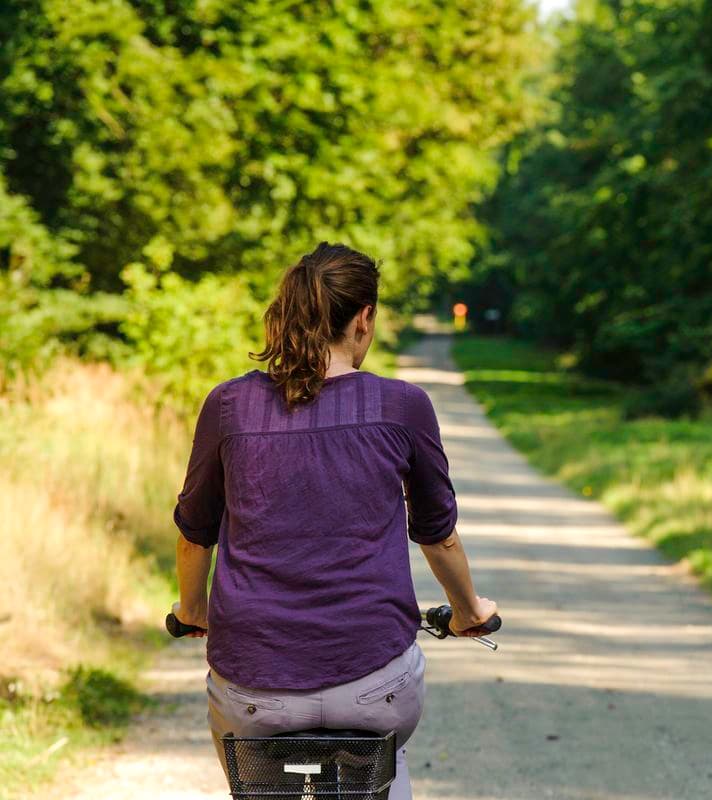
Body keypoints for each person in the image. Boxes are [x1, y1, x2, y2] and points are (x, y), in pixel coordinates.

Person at [171, 242, 496, 800]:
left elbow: (195, 534)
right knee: (385, 765)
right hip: (374, 683)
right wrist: (469, 612)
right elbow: (437, 534)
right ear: (364, 318)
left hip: (254, 685)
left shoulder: (228, 407)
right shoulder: (402, 405)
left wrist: (191, 610)